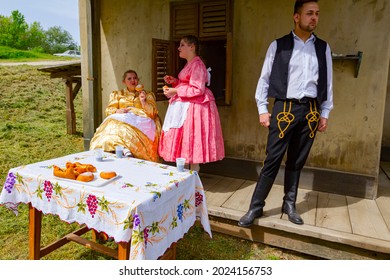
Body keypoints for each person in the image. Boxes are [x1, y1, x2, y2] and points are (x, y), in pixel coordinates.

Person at [238, 0, 333, 227]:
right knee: (272, 158)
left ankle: (289, 204)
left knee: (297, 161)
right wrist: (262, 109)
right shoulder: (278, 45)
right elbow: (264, 79)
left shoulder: (323, 47)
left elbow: (328, 82)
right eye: (309, 13)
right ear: (296, 16)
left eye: (317, 14)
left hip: (311, 110)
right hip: (284, 108)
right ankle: (256, 207)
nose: (314, 18)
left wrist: (325, 111)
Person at [158, 35, 225, 171]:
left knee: (193, 141)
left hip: (195, 107)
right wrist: (175, 82)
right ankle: (186, 177)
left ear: (192, 47)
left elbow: (198, 89)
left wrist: (176, 91)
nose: (179, 48)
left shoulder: (198, 64)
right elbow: (187, 83)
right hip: (185, 106)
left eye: (182, 45)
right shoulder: (190, 64)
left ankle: (193, 178)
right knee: (186, 143)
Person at [89, 69, 162, 162]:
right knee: (112, 126)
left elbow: (153, 113)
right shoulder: (117, 94)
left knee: (124, 129)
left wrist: (143, 101)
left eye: (135, 78)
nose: (133, 81)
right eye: (129, 78)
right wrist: (117, 110)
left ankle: (124, 148)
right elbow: (109, 110)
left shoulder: (147, 94)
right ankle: (114, 148)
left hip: (140, 119)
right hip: (121, 117)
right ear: (124, 82)